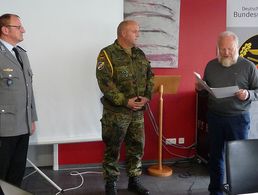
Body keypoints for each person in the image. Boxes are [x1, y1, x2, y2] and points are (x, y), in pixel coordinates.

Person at [96, 20, 154, 195]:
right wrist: (125, 101)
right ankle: (111, 184)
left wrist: (146, 97)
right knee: (112, 148)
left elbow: (150, 76)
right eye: (135, 31)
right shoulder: (107, 54)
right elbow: (105, 83)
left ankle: (134, 180)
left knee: (137, 147)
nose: (138, 34)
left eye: (138, 31)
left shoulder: (140, 54)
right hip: (116, 112)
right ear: (123, 33)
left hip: (137, 113)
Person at [196, 31, 258, 195]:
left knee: (238, 158)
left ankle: (238, 190)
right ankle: (216, 190)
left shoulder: (248, 66)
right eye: (222, 49)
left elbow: (257, 91)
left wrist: (248, 94)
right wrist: (200, 88)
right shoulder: (211, 65)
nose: (226, 53)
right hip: (215, 117)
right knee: (215, 156)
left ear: (237, 47)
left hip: (238, 119)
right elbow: (205, 91)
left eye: (229, 49)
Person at [0, 13, 38, 187]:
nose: (24, 30)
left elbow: (28, 90)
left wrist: (32, 118)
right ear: (5, 29)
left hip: (22, 124)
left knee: (17, 171)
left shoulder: (21, 54)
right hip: (4, 126)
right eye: (19, 27)